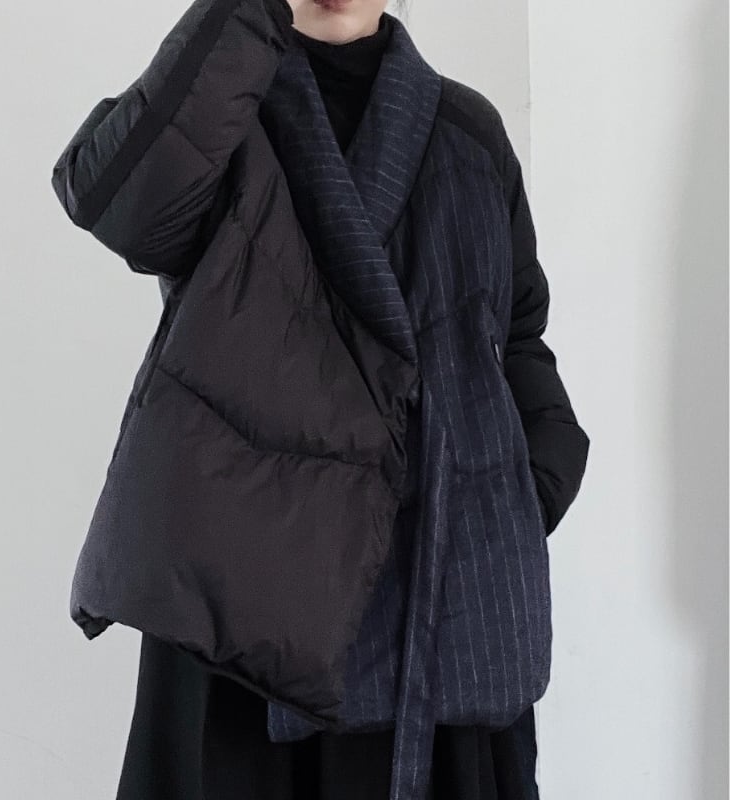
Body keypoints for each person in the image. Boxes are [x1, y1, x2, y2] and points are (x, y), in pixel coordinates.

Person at [50, 0, 590, 797]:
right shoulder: (221, 103)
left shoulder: (468, 132)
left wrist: (523, 490)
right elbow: (119, 205)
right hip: (245, 617)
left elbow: (517, 335)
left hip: (445, 608)